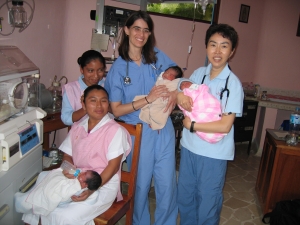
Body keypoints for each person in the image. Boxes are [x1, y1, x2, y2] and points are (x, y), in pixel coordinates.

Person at [104, 10, 178, 225]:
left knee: (166, 184)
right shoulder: (118, 69)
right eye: (136, 28)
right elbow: (116, 110)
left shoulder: (156, 56)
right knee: (141, 185)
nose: (141, 34)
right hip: (138, 132)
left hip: (163, 129)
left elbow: (176, 74)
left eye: (146, 30)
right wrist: (147, 99)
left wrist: (175, 91)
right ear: (126, 30)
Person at [20, 85, 132, 225]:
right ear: (83, 103)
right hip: (77, 177)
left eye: (103, 101)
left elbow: (113, 167)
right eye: (93, 100)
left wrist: (92, 189)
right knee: (42, 200)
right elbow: (67, 156)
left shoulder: (115, 131)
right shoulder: (78, 127)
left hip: (103, 183)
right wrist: (68, 169)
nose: (99, 105)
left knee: (65, 216)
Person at [177, 23, 244, 225]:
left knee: (208, 202)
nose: (217, 51)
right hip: (189, 148)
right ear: (206, 47)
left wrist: (193, 126)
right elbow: (182, 88)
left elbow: (225, 126)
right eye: (213, 44)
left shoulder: (232, 84)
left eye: (224, 46)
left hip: (213, 154)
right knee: (186, 197)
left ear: (232, 51)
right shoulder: (199, 74)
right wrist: (180, 94)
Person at [15, 169, 101, 216]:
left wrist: (62, 177)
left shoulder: (76, 187)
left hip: (50, 194)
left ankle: (22, 202)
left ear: (84, 183)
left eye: (84, 174)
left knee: (26, 201)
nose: (82, 171)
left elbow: (62, 192)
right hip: (57, 185)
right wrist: (64, 173)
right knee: (45, 174)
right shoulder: (78, 180)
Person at [61, 50, 106, 125]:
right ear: (82, 69)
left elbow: (115, 111)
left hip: (105, 131)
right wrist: (85, 109)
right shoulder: (71, 89)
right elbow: (66, 118)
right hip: (80, 134)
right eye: (91, 71)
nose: (96, 76)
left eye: (100, 70)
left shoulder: (107, 84)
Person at [134, 65, 183, 130]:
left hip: (164, 101)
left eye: (171, 75)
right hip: (155, 97)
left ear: (175, 78)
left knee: (157, 112)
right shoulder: (160, 80)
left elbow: (182, 85)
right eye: (166, 72)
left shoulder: (176, 82)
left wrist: (175, 92)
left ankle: (156, 124)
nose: (167, 74)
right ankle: (149, 119)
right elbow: (157, 83)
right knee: (143, 103)